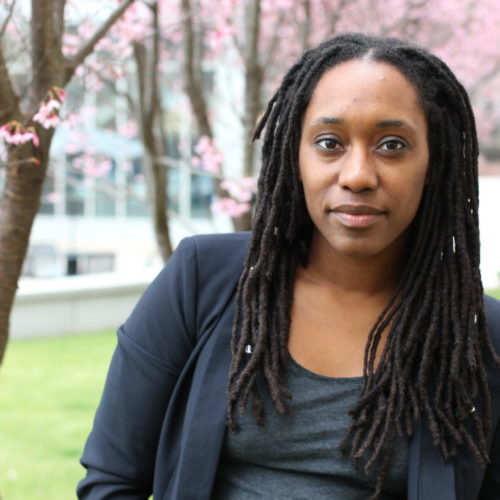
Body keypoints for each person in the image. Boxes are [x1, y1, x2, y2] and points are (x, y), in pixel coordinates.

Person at [77, 33, 500, 500]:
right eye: (329, 142)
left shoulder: (481, 336)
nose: (357, 175)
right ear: (294, 155)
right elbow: (112, 482)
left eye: (392, 145)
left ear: (433, 161)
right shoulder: (202, 282)